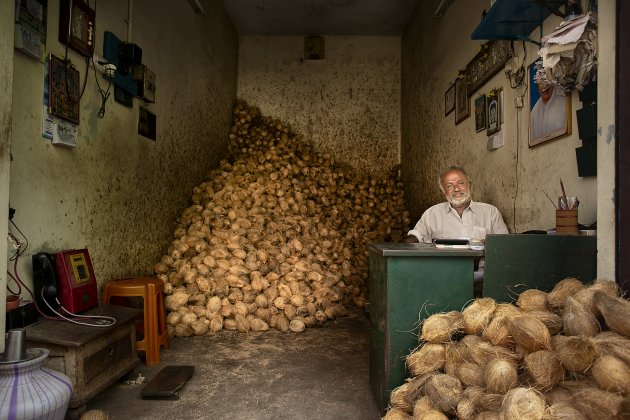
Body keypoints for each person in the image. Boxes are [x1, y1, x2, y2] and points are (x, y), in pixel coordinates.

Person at [404, 166, 508, 244]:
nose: (456, 189)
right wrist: (408, 243)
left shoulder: (490, 212)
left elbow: (504, 244)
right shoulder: (432, 214)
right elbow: (416, 236)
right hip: (446, 271)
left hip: (482, 272)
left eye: (460, 183)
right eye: (450, 186)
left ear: (469, 184)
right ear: (444, 192)